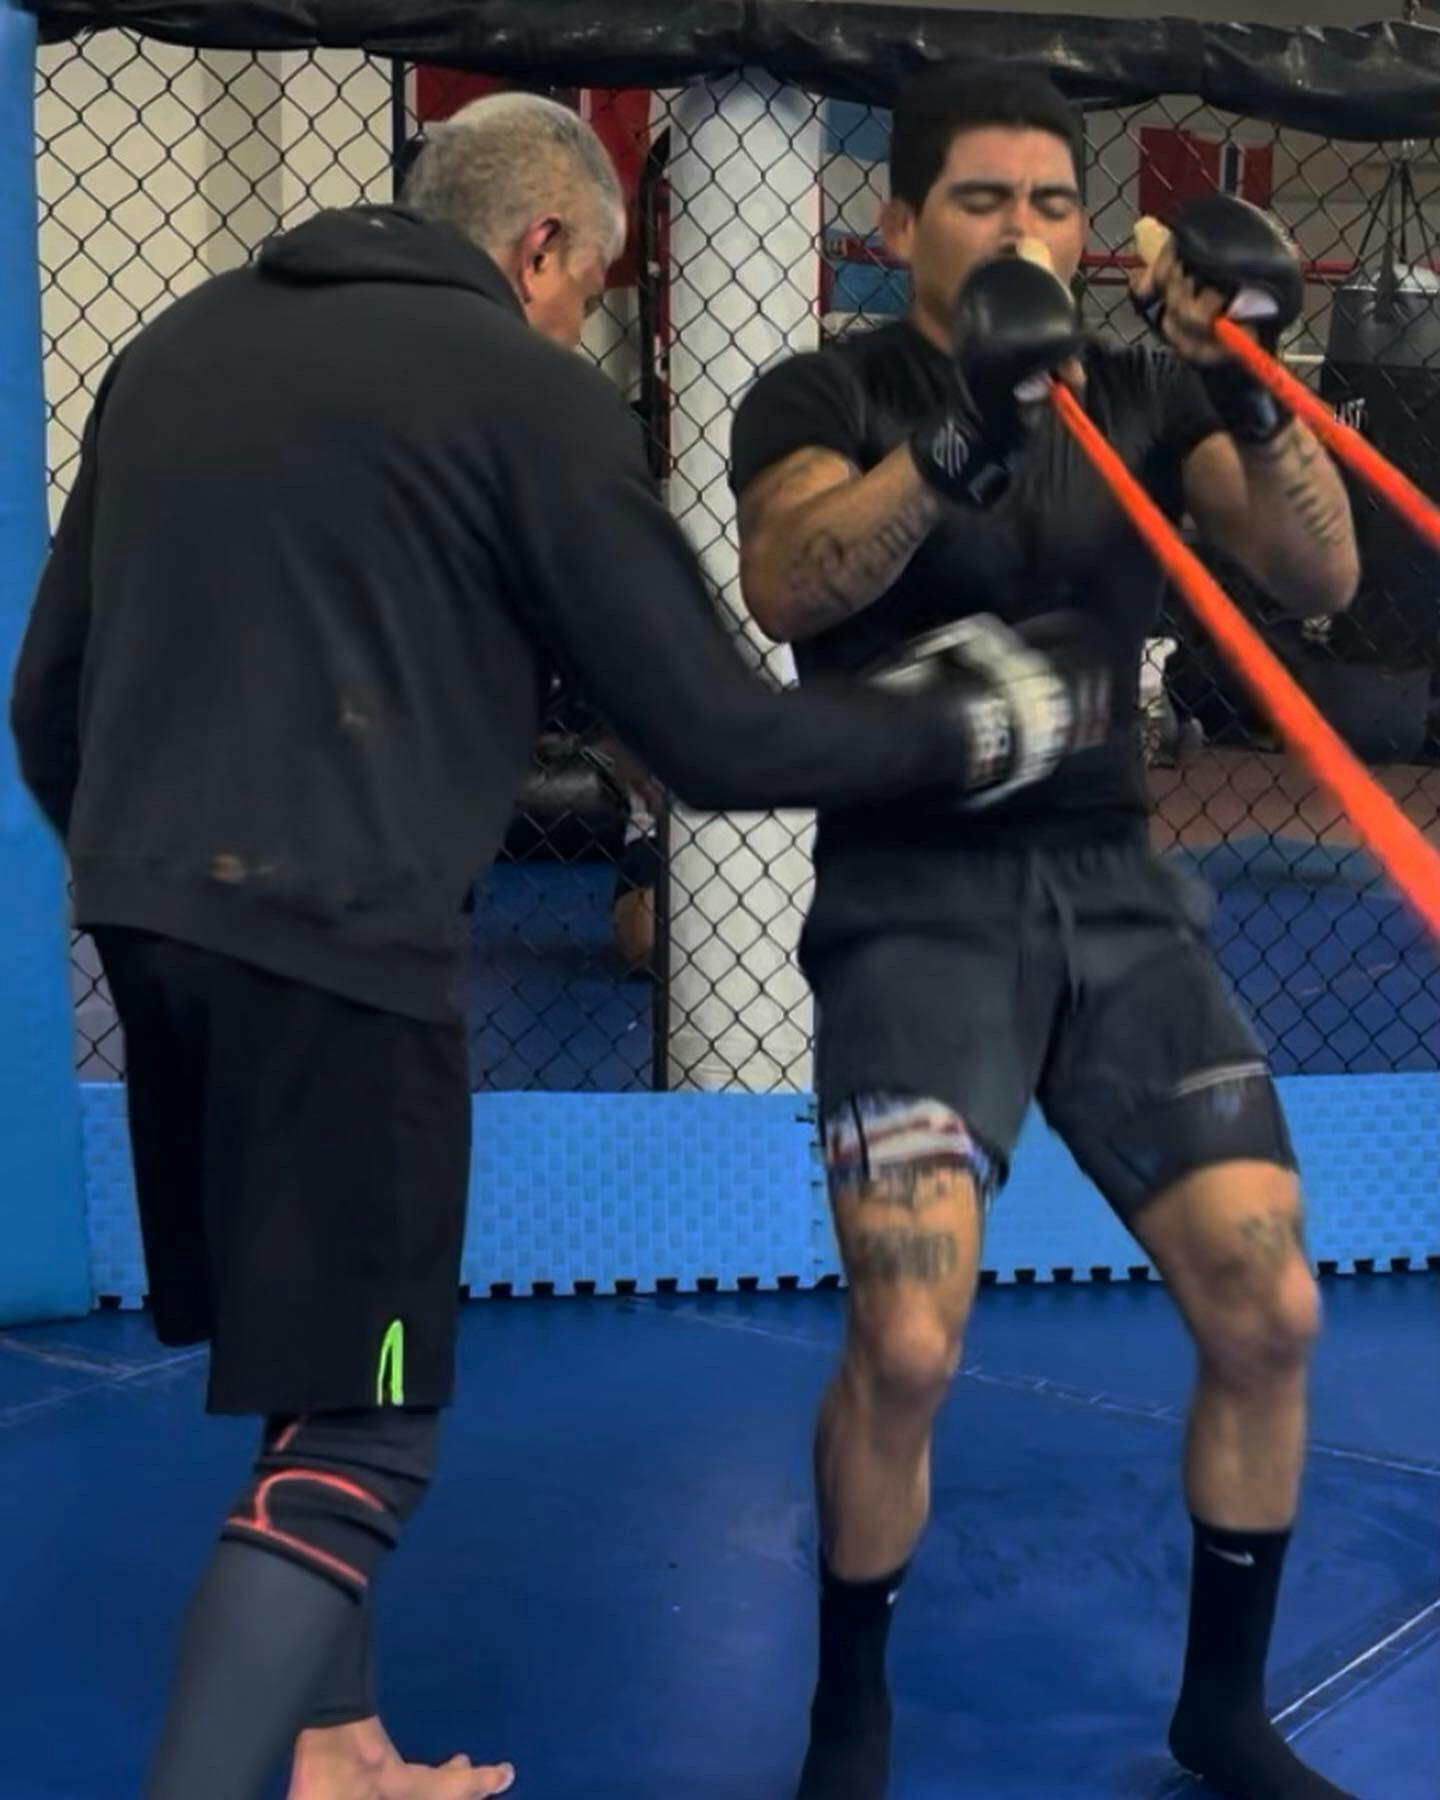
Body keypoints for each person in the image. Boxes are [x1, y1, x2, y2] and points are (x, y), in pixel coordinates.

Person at [9, 91, 1111, 1800]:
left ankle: (337, 1750)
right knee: (365, 1430)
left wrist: (158, 881)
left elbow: (46, 701)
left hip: (147, 922)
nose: (588, 318)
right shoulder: (523, 394)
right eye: (592, 286)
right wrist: (971, 724)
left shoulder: (176, 348)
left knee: (301, 1358)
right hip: (341, 953)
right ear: (539, 248)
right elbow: (718, 740)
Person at [730, 64, 1362, 1800]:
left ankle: (1222, 1711)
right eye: (982, 201)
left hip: (1115, 897)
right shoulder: (826, 388)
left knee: (1270, 1308)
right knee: (907, 1340)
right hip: (912, 900)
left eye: (1053, 203)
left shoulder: (1142, 394)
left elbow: (1321, 577)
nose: (1025, 232)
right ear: (898, 222)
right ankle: (847, 1719)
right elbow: (788, 579)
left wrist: (1251, 377)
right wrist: (959, 436)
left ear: (1094, 228)